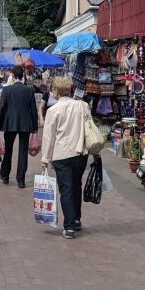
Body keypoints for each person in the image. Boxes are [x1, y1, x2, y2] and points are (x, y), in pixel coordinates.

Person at [40, 76, 89, 239]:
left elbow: (49, 137)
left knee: (66, 189)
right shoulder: (82, 106)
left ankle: (69, 227)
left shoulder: (53, 111)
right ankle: (75, 219)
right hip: (80, 152)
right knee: (76, 186)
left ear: (55, 91)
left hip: (61, 154)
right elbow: (89, 129)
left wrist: (45, 159)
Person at [0, 65, 40, 189]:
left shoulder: (7, 90)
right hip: (26, 124)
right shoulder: (29, 90)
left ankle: (5, 175)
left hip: (10, 123)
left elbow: (1, 108)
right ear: (23, 76)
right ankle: (21, 180)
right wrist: (35, 127)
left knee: (8, 150)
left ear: (13, 76)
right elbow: (33, 110)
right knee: (23, 152)